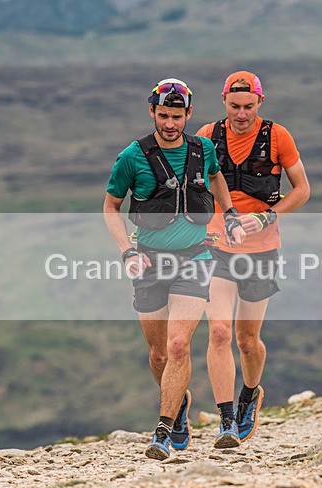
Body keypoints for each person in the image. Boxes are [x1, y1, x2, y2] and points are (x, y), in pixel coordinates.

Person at [103, 78, 246, 460]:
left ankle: (162, 432)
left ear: (188, 114)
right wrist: (126, 252)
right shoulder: (131, 157)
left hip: (195, 258)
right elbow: (110, 208)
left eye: (177, 116)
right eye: (163, 115)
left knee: (179, 344)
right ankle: (179, 407)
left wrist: (229, 212)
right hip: (148, 260)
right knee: (159, 356)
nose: (170, 123)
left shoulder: (203, 149)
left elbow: (215, 176)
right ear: (152, 112)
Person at [195, 71, 310, 448]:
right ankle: (226, 420)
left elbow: (302, 190)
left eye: (248, 107)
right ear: (223, 101)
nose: (241, 114)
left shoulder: (278, 136)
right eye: (234, 106)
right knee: (219, 332)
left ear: (260, 102)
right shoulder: (208, 136)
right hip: (216, 246)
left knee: (247, 340)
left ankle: (250, 393)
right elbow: (190, 186)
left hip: (261, 248)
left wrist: (267, 216)